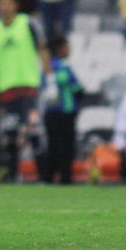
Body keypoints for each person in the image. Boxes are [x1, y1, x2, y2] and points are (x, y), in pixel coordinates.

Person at [0, 0, 50, 183]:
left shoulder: (28, 23)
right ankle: (14, 179)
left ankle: (43, 178)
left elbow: (42, 50)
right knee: (10, 137)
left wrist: (50, 79)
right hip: (6, 91)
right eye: (1, 3)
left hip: (29, 88)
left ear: (16, 5)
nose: (4, 7)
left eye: (8, 2)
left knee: (34, 132)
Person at [42, 34, 85, 184]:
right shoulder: (62, 67)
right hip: (64, 113)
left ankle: (48, 177)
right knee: (66, 147)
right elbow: (77, 88)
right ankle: (65, 178)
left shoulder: (47, 67)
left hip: (51, 113)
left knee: (53, 146)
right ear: (60, 49)